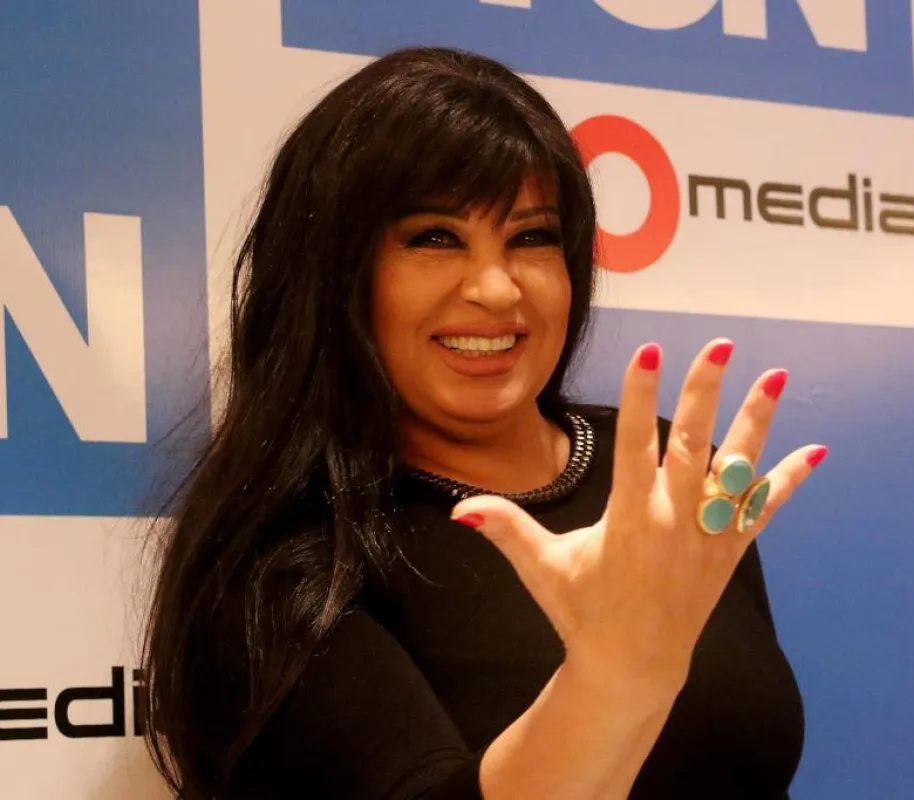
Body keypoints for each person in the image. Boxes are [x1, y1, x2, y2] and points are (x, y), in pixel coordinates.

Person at [141, 46, 827, 799]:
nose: (497, 290)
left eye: (531, 237)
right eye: (435, 238)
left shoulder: (666, 471)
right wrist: (616, 679)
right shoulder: (285, 566)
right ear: (332, 273)